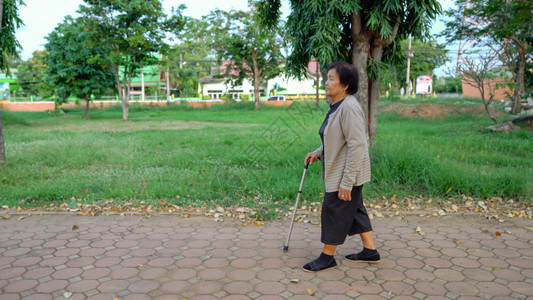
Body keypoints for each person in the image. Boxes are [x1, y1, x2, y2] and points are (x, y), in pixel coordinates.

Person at [303, 61, 379, 272]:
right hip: (345, 170)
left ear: (345, 85)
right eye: (326, 78)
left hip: (347, 173)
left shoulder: (349, 108)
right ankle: (370, 251)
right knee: (354, 209)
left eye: (331, 79)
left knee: (333, 210)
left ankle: (327, 257)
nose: (326, 83)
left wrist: (347, 183)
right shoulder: (337, 106)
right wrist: (318, 152)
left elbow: (357, 146)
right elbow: (337, 139)